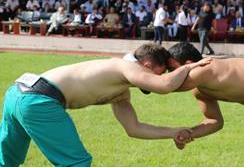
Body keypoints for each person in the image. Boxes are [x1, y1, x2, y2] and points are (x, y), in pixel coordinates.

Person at [0, 44, 211, 167]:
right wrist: (190, 67)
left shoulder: (120, 90)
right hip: (38, 101)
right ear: (146, 65)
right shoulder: (125, 66)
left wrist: (174, 132)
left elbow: (134, 128)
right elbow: (164, 86)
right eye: (161, 71)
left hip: (17, 94)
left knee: (8, 162)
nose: (164, 76)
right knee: (77, 164)